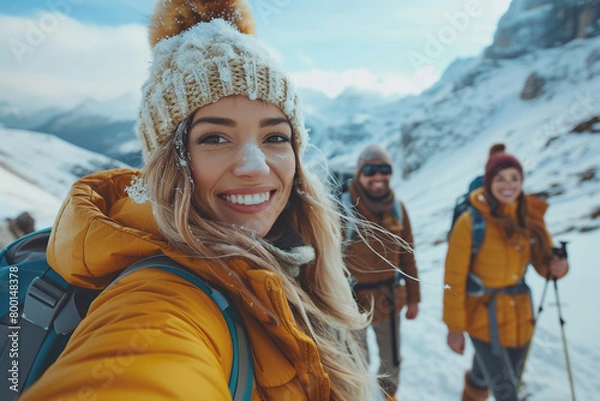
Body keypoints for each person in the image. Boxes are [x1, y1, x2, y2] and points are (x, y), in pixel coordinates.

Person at [19, 1, 376, 400]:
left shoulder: (300, 260)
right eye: (214, 138)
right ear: (169, 161)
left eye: (275, 137)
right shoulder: (159, 298)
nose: (255, 168)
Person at [443, 144, 569, 401]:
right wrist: (455, 327)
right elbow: (453, 278)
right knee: (507, 392)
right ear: (489, 182)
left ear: (522, 181)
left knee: (485, 376)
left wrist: (559, 267)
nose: (508, 185)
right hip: (482, 318)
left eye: (514, 178)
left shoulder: (530, 217)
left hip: (521, 317)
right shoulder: (470, 222)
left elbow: (543, 263)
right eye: (500, 179)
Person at [342, 144, 421, 401]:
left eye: (384, 169)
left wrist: (414, 297)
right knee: (356, 364)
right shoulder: (343, 208)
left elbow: (408, 255)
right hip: (352, 303)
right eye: (371, 170)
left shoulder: (397, 208)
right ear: (359, 173)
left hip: (390, 299)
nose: (378, 176)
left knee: (392, 362)